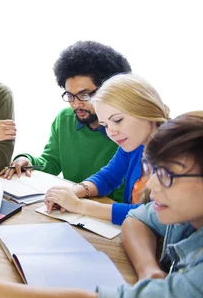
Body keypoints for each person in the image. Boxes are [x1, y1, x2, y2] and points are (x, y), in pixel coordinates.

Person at [0, 111, 203, 298]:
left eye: (167, 175)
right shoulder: (180, 207)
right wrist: (149, 271)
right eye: (151, 170)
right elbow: (139, 219)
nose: (152, 186)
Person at [0, 41, 132, 202]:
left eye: (84, 95)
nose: (76, 104)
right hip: (72, 204)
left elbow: (124, 194)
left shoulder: (127, 131)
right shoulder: (65, 118)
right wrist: (28, 161)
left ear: (109, 90)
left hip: (108, 212)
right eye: (70, 95)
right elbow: (52, 162)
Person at [44, 73, 169, 225]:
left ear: (146, 109)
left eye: (117, 120)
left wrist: (79, 206)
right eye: (105, 125)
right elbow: (108, 177)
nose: (111, 132)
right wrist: (74, 191)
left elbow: (151, 215)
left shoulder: (177, 155)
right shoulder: (136, 144)